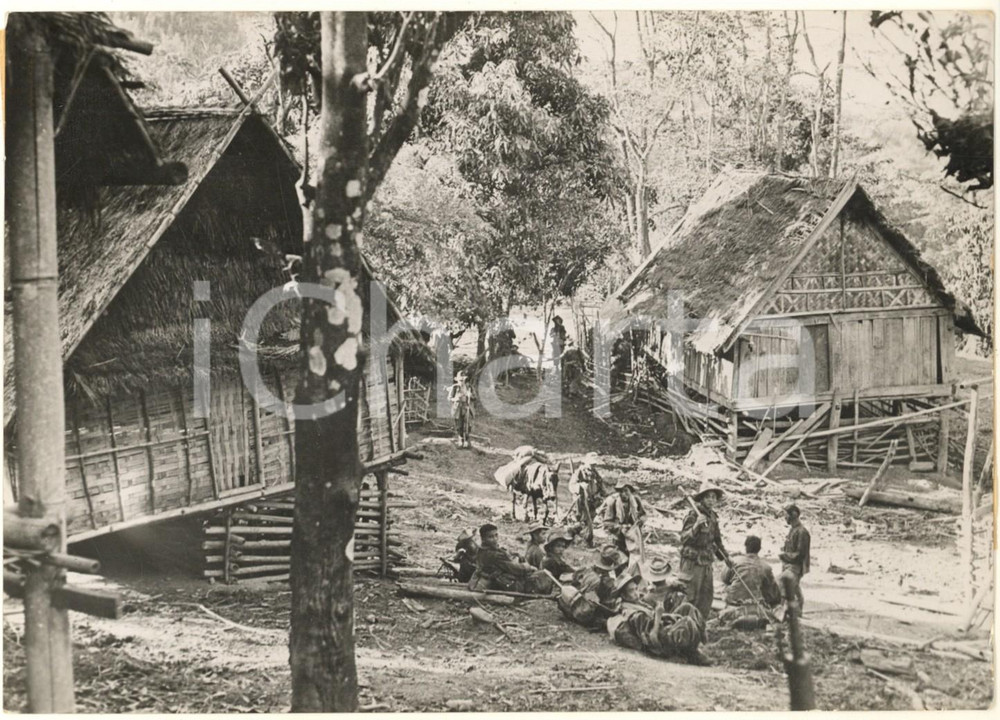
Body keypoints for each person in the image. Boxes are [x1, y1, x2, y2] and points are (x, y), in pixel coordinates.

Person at [679, 482, 728, 632]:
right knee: (689, 597)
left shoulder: (713, 517)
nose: (711, 500)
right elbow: (684, 539)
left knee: (706, 598)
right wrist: (695, 527)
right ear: (701, 499)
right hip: (692, 563)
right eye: (708, 497)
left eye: (714, 497)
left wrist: (726, 558)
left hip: (706, 563)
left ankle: (699, 630)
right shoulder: (693, 515)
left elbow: (717, 541)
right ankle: (683, 629)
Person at [719, 535, 782, 630]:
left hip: (734, 603)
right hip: (755, 604)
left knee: (726, 585)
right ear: (759, 549)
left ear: (746, 547)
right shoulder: (765, 567)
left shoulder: (735, 561)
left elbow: (724, 579)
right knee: (768, 587)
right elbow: (774, 593)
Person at [469, 523, 552, 594]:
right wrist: (529, 567)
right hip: (504, 584)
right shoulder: (494, 554)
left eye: (496, 535)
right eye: (490, 537)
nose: (495, 539)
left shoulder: (483, 550)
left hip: (499, 580)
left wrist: (515, 555)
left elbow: (506, 556)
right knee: (543, 576)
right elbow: (516, 569)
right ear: (483, 539)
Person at [567, 454, 607, 547]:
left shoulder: (594, 473)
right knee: (584, 521)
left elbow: (601, 483)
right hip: (582, 501)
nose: (593, 466)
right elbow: (571, 485)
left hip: (593, 501)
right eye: (591, 464)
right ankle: (583, 539)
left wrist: (603, 492)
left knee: (590, 520)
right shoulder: (579, 472)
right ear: (587, 462)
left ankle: (584, 538)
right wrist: (580, 487)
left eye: (594, 464)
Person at [603, 479, 647, 559]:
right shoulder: (613, 503)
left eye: (626, 491)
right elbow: (606, 523)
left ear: (630, 491)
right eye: (621, 491)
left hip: (634, 537)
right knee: (620, 559)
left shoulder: (636, 501)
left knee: (636, 559)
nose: (623, 494)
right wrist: (620, 528)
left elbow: (643, 515)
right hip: (619, 538)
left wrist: (640, 521)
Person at [779, 504, 811, 612]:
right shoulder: (793, 530)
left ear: (793, 515)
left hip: (796, 566)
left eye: (786, 515)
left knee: (785, 585)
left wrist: (785, 556)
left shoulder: (802, 532)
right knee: (793, 588)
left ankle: (791, 612)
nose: (785, 517)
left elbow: (800, 554)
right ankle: (795, 612)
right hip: (789, 565)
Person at [448, 370, 474, 448]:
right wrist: (455, 399)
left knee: (468, 424)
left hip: (466, 407)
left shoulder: (469, 387)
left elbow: (475, 397)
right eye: (460, 379)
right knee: (459, 425)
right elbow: (449, 398)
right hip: (457, 408)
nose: (462, 381)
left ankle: (467, 441)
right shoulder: (455, 387)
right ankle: (460, 441)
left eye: (463, 379)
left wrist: (470, 395)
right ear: (457, 379)